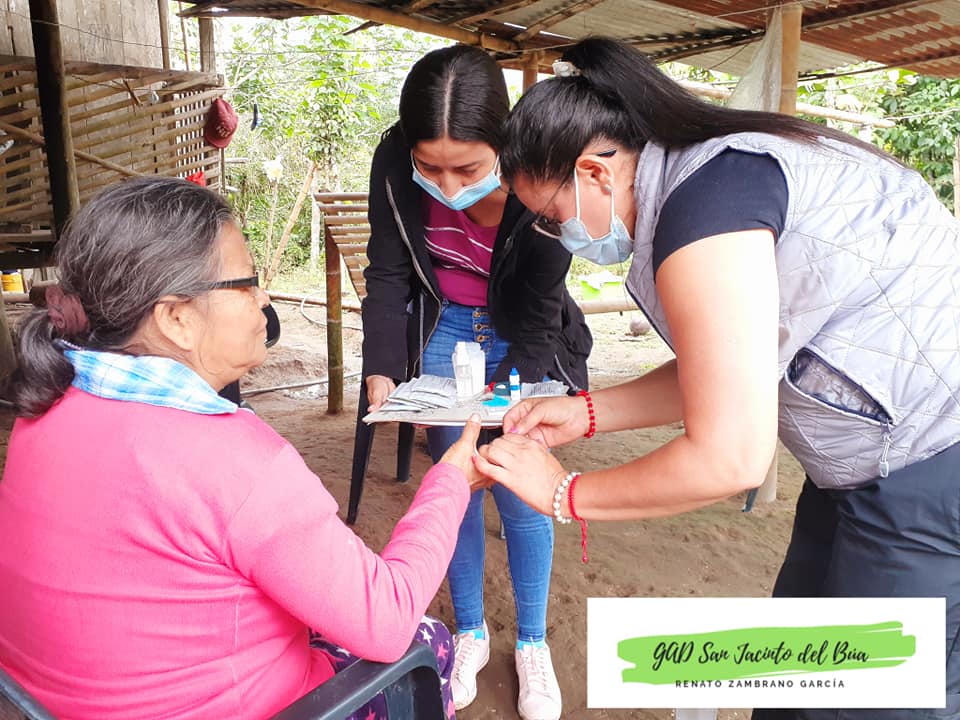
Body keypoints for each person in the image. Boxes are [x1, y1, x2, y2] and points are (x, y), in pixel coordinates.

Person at [474, 37, 960, 720]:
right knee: (794, 673)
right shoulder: (706, 178)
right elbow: (727, 368)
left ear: (595, 173)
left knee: (870, 693)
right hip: (861, 473)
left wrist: (563, 492)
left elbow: (730, 458)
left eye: (553, 219)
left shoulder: (706, 211)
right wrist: (587, 412)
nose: (559, 236)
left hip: (928, 472)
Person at [0, 176, 484, 720]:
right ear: (176, 318)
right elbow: (387, 620)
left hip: (50, 707)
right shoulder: (234, 461)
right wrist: (451, 482)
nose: (265, 297)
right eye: (248, 282)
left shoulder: (42, 408)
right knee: (427, 638)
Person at [363, 44, 592, 720]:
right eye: (429, 166)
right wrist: (382, 365)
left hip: (523, 333)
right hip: (445, 326)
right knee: (454, 484)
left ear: (505, 144)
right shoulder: (393, 162)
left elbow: (540, 316)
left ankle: (531, 642)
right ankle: (470, 632)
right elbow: (388, 271)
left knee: (522, 486)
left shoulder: (541, 176)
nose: (446, 183)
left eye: (466, 168)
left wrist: (503, 397)